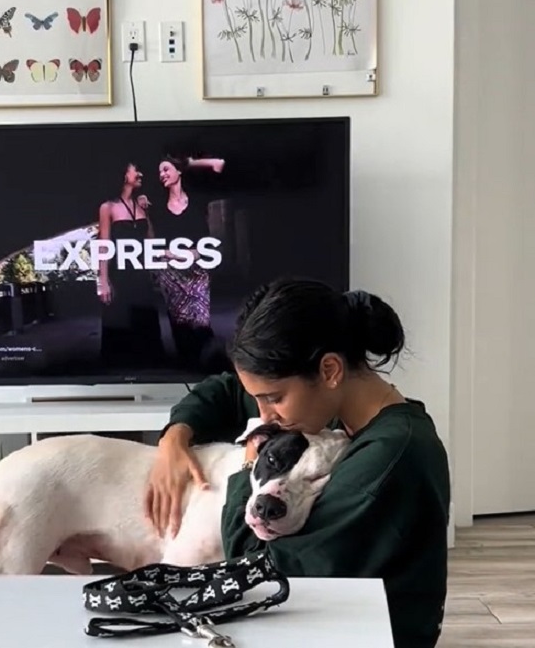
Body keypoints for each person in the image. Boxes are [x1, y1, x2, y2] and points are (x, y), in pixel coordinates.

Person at [145, 278, 450, 648]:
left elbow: (255, 568)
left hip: (362, 635)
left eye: (273, 398)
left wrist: (249, 466)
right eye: (258, 399)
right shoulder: (331, 414)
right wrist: (175, 436)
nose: (265, 416)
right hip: (326, 619)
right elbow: (226, 390)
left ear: (329, 371)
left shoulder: (390, 461)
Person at [149, 154, 225, 369]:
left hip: (197, 272)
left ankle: (205, 370)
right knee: (180, 328)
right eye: (160, 172)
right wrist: (174, 255)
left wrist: (190, 163)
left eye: (166, 169)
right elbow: (153, 243)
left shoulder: (197, 199)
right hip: (172, 273)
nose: (162, 175)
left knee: (201, 324)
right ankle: (186, 370)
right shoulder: (157, 207)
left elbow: (219, 165)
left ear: (179, 171)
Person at [96, 161, 162, 366]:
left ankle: (149, 365)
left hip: (141, 275)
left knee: (145, 320)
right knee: (119, 320)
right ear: (124, 176)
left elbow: (151, 240)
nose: (141, 174)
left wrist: (146, 212)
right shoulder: (108, 207)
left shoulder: (140, 206)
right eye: (136, 171)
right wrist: (103, 280)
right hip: (119, 275)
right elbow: (104, 245)